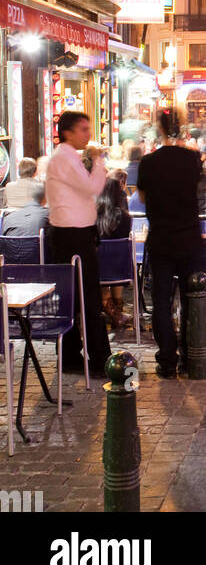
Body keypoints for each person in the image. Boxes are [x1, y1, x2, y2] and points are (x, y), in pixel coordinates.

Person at [45, 111, 111, 377]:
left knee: (76, 296)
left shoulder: (67, 158)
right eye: (83, 129)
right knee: (86, 298)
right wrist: (97, 160)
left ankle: (74, 355)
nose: (88, 134)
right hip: (72, 235)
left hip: (74, 233)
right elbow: (92, 187)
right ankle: (96, 358)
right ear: (68, 132)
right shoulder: (64, 159)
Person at [136, 130, 205, 378]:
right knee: (191, 298)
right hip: (188, 236)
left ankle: (167, 360)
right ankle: (190, 356)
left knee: (161, 302)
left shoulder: (148, 162)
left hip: (162, 238)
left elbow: (142, 197)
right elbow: (201, 191)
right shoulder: (191, 159)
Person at [96, 176, 132, 329]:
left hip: (97, 269)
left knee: (101, 260)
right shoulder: (125, 217)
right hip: (121, 269)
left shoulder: (92, 215)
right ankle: (117, 309)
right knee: (115, 258)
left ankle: (111, 309)